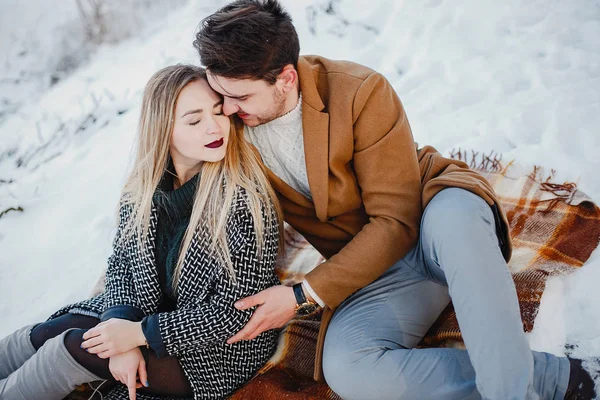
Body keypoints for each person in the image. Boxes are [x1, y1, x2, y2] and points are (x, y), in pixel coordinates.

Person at [192, 1, 597, 399]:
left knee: (459, 229)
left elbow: (397, 221)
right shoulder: (228, 128)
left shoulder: (360, 91)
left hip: (431, 215)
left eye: (240, 97)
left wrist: (302, 295)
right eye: (220, 94)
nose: (226, 109)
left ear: (286, 79)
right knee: (349, 368)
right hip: (373, 269)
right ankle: (556, 376)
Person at [0, 64, 282, 400]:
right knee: (47, 332)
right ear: (163, 130)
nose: (214, 127)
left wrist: (138, 334)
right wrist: (119, 324)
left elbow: (233, 313)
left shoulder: (243, 200)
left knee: (70, 349)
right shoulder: (142, 191)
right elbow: (121, 266)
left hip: (216, 351)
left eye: (219, 112)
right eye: (194, 120)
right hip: (147, 314)